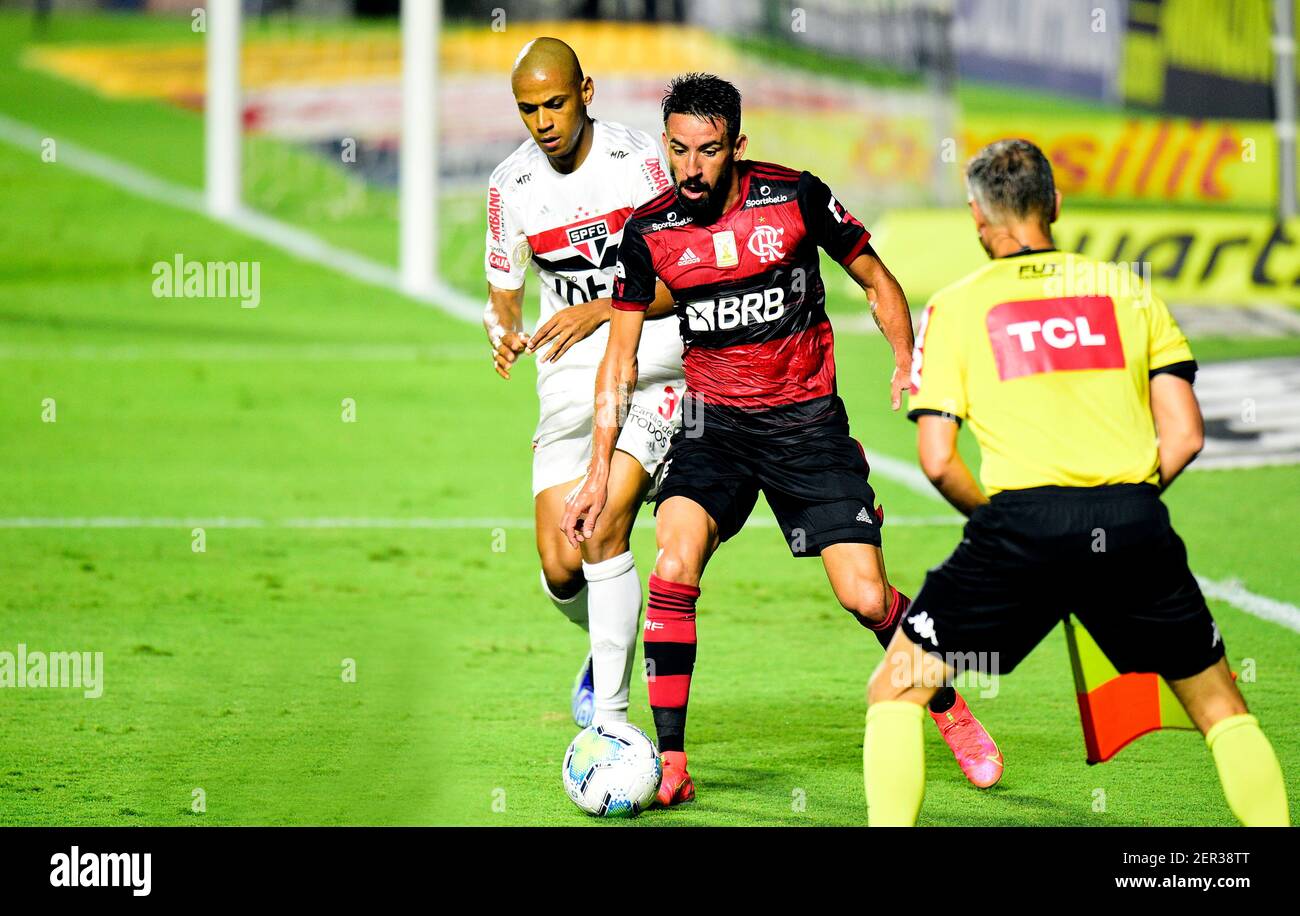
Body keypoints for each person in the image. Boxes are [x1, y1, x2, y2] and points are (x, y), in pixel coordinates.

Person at [561, 73, 1001, 806]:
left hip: (807, 424)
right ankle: (671, 761)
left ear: (737, 145)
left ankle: (948, 706)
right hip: (713, 428)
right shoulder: (649, 232)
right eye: (677, 151)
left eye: (706, 151)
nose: (690, 169)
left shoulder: (795, 196)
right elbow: (621, 356)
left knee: (863, 597)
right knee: (673, 562)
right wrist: (599, 469)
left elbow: (876, 277)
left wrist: (905, 361)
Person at [863, 138, 1289, 827]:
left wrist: (999, 522)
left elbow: (938, 458)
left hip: (1019, 530)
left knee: (896, 692)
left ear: (977, 217)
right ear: (1054, 204)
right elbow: (1184, 435)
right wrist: (1124, 503)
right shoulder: (1129, 290)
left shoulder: (957, 306)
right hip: (1131, 524)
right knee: (1221, 710)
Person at [484, 38, 680, 727]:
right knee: (561, 564)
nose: (543, 121)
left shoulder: (639, 164)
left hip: (655, 362)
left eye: (556, 104)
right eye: (529, 109)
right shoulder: (510, 186)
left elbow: (683, 278)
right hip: (568, 377)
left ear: (586, 92)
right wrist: (500, 326)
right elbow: (504, 285)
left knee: (599, 527)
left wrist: (605, 308)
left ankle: (617, 723)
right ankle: (607, 642)